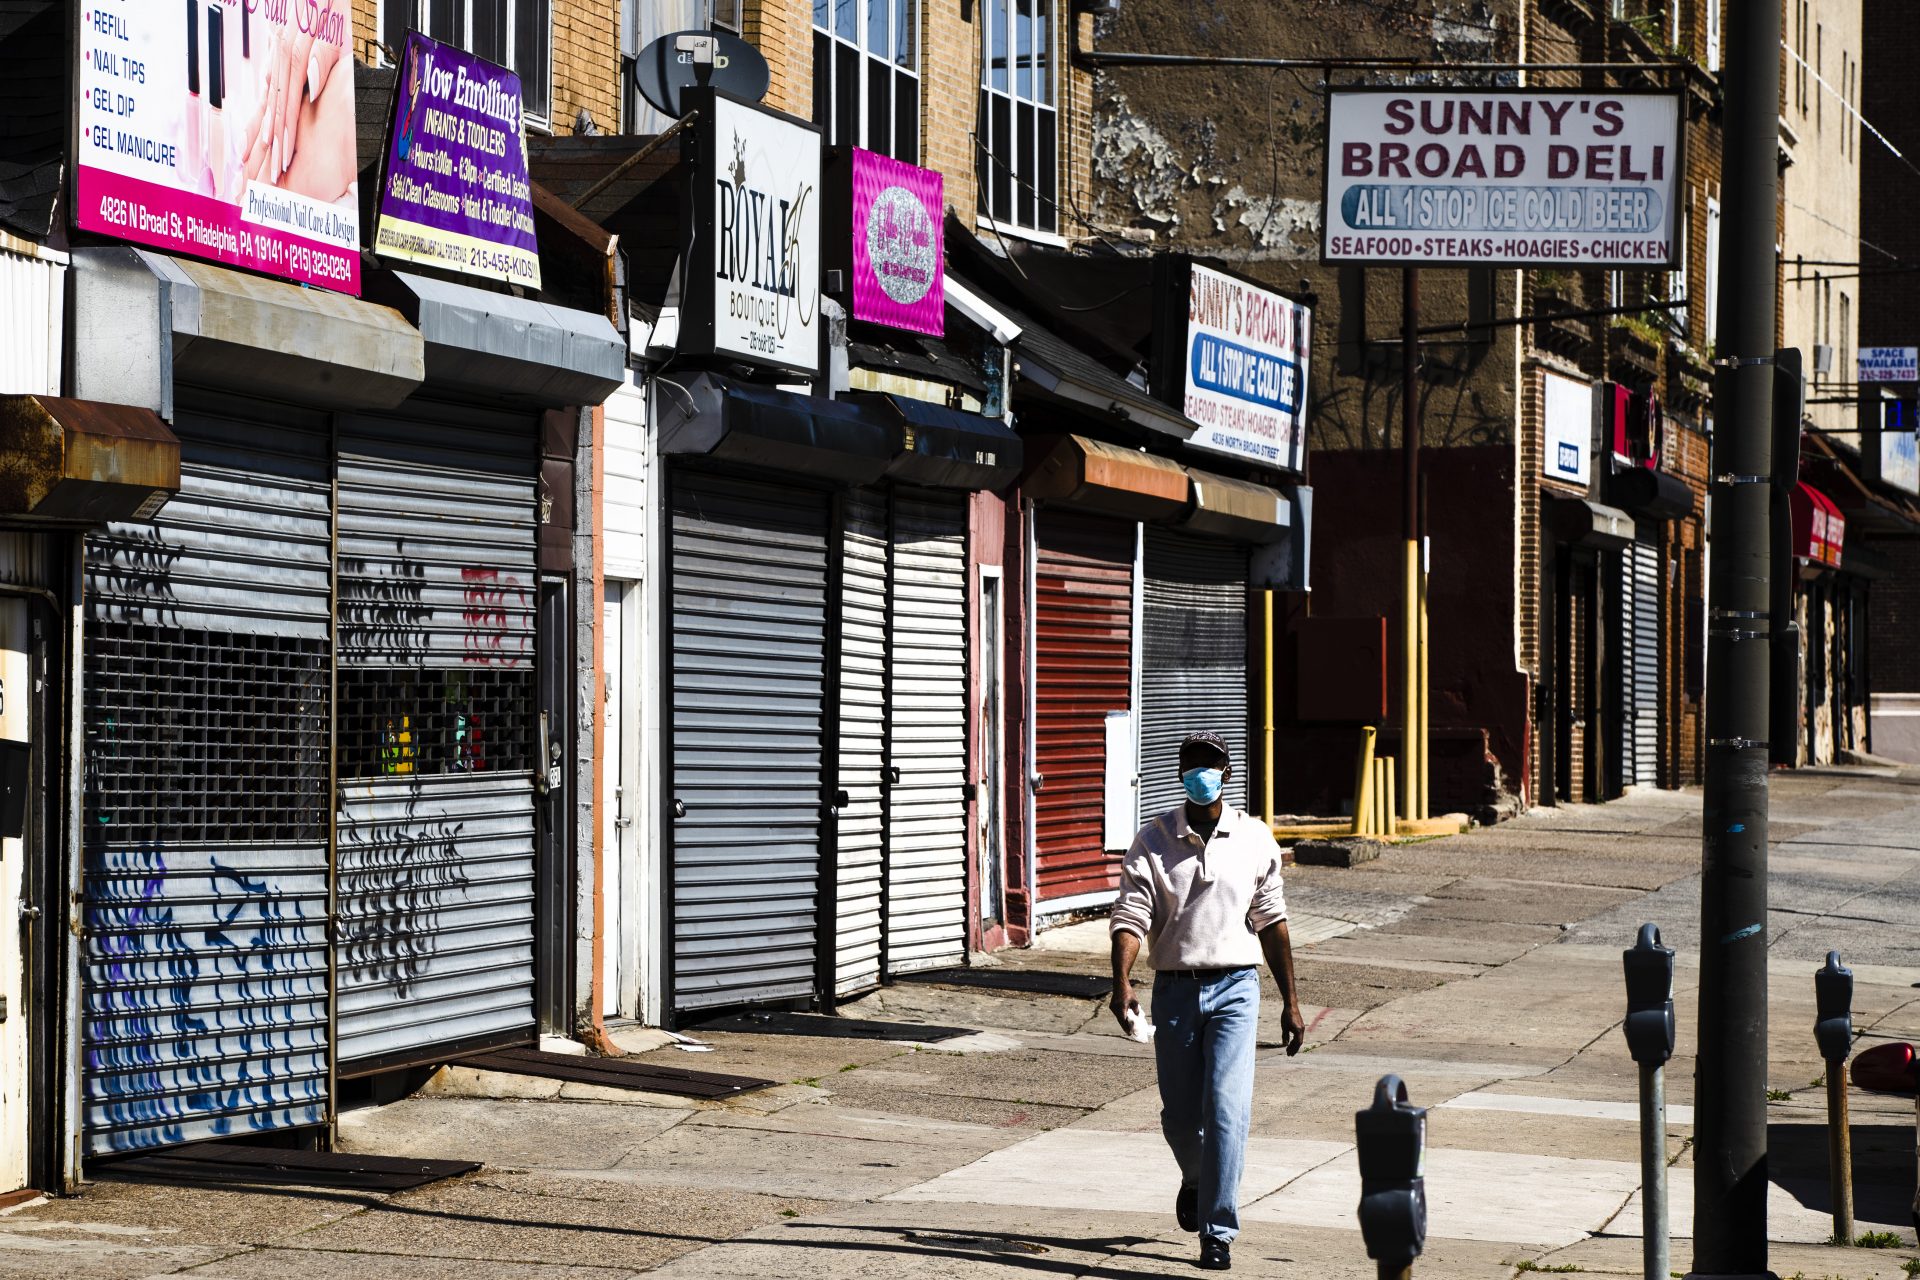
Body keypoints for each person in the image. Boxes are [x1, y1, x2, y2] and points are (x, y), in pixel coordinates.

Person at [1109, 730, 1304, 1272]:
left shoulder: (1255, 838)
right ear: (1179, 773)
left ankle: (1217, 1232)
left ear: (1227, 773)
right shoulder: (1153, 841)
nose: (1202, 771)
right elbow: (1130, 917)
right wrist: (1122, 982)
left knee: (1226, 1108)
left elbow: (1273, 921)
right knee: (1179, 1118)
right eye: (1192, 762)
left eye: (1211, 763)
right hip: (1174, 990)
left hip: (1237, 987)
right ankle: (1195, 1179)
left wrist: (1291, 1000)